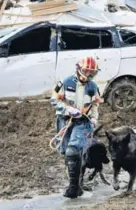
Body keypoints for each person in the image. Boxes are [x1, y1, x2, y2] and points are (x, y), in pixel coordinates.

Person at [50, 56, 101, 198]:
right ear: (78, 69)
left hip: (83, 123)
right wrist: (67, 110)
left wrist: (94, 118)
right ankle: (77, 182)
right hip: (65, 121)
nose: (89, 75)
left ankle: (73, 188)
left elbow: (95, 104)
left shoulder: (93, 87)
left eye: (92, 73)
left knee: (73, 151)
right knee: (67, 154)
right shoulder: (65, 83)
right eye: (87, 71)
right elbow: (53, 100)